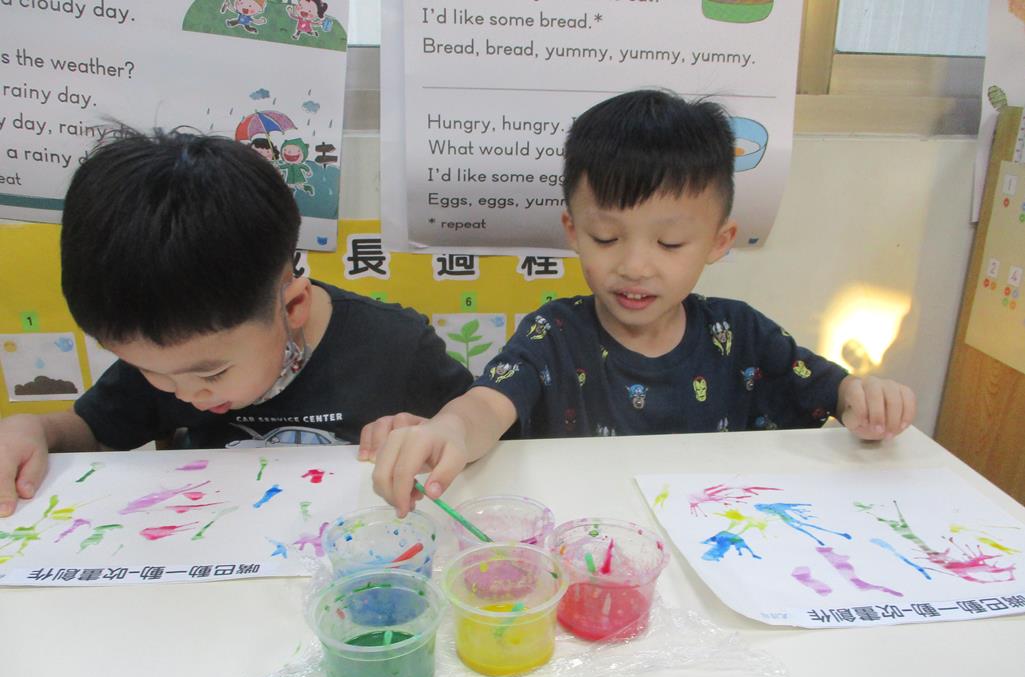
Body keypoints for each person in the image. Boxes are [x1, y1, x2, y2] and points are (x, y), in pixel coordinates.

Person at [365, 89, 917, 514]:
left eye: (669, 243)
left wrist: (863, 399)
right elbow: (487, 406)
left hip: (716, 542)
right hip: (586, 544)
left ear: (719, 241)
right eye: (606, 237)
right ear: (573, 230)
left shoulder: (741, 334)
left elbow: (832, 393)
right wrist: (449, 429)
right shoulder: (554, 334)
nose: (634, 266)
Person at [0, 129, 472, 517]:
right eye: (152, 372)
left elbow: (477, 435)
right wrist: (35, 430)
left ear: (292, 307)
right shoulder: (170, 360)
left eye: (213, 373)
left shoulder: (396, 347)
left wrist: (429, 434)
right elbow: (91, 429)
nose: (187, 394)